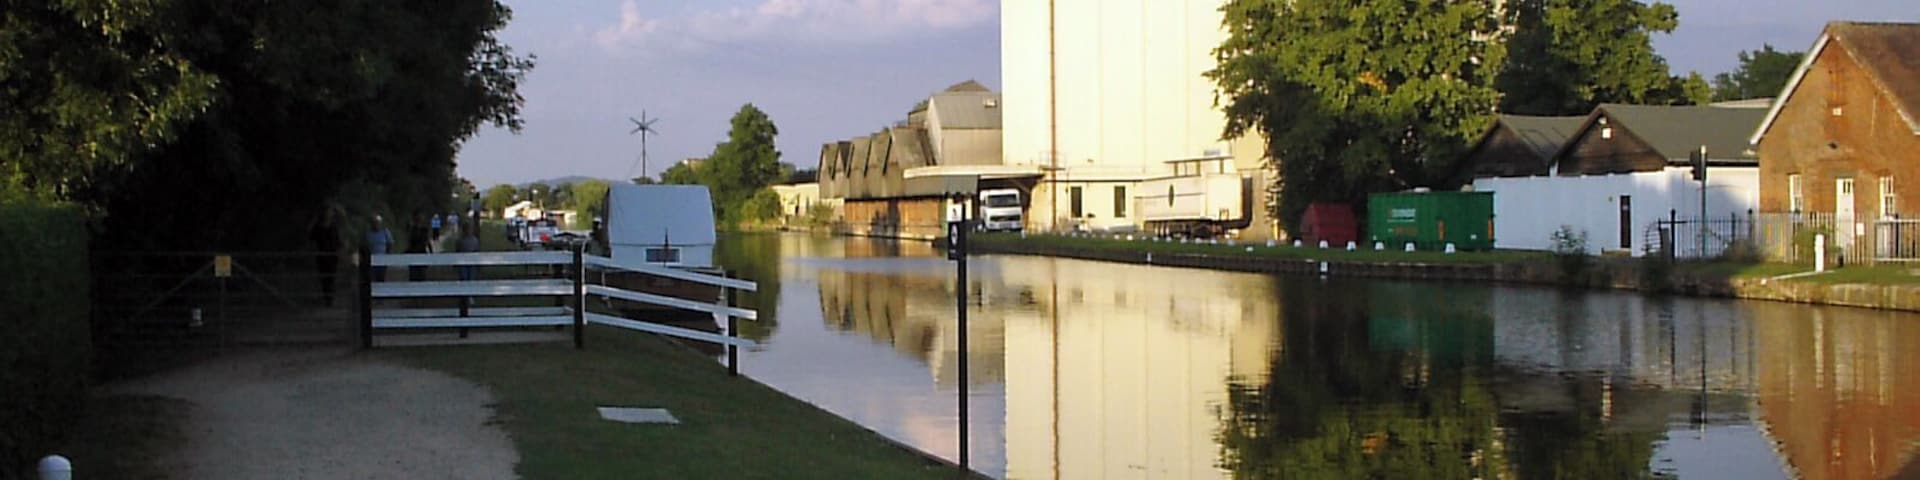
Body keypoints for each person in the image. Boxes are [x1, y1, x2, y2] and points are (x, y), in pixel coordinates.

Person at [309, 206, 342, 306]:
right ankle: (327, 298)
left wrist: (339, 252)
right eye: (327, 212)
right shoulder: (317, 227)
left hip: (332, 256)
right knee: (324, 278)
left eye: (330, 212)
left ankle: (330, 299)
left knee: (331, 277)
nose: (328, 214)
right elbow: (311, 236)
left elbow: (338, 241)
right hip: (322, 256)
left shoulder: (334, 226)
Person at [365, 215, 393, 281]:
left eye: (378, 222)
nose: (376, 224)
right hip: (372, 259)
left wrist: (387, 256)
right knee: (372, 278)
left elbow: (390, 243)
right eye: (374, 222)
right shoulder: (368, 234)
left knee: (381, 277)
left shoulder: (385, 232)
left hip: (382, 259)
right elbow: (366, 246)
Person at [407, 212, 432, 281]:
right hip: (413, 253)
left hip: (422, 252)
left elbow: (428, 241)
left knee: (422, 274)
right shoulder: (412, 229)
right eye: (418, 218)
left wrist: (431, 253)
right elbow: (409, 241)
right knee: (413, 275)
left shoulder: (425, 230)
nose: (419, 219)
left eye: (420, 218)